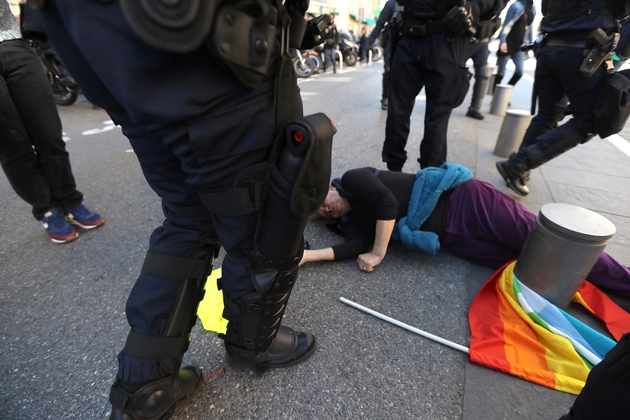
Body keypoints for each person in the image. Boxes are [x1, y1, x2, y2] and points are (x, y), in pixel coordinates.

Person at [35, 1, 333, 419]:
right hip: (203, 37)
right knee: (265, 223)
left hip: (93, 28)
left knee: (189, 214)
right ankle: (254, 346)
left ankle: (146, 389)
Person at [301, 165, 630, 297]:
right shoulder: (350, 222)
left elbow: (386, 205)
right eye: (316, 213)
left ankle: (624, 281)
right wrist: (307, 256)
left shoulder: (355, 178)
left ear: (330, 187)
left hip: (465, 201)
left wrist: (378, 251)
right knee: (532, 268)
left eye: (320, 200)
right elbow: (355, 244)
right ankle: (605, 288)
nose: (323, 209)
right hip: (453, 239)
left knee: (550, 244)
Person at [496, 0, 630, 196]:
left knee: (547, 115)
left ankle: (519, 170)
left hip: (550, 50)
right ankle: (519, 164)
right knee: (589, 122)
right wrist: (617, 57)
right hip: (582, 53)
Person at [0, 0, 103, 244]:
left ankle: (70, 200)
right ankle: (46, 209)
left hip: (13, 41)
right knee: (14, 147)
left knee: (49, 134)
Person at [381, 0, 506, 172]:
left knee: (437, 118)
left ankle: (430, 177)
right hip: (408, 31)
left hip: (448, 34)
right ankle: (393, 173)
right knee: (397, 112)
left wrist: (475, 6)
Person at [491, 0, 535, 94]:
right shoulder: (515, 5)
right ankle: (496, 97)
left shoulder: (532, 8)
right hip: (508, 43)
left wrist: (531, 44)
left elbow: (530, 29)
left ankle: (504, 94)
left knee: (519, 72)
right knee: (500, 73)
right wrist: (503, 41)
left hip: (520, 45)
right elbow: (506, 24)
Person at [465, 16, 502, 120]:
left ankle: (475, 108)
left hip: (482, 43)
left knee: (483, 73)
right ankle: (442, 99)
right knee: (452, 70)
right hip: (465, 40)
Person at [367, 0, 397, 110]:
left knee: (404, 73)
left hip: (408, 42)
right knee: (388, 69)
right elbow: (380, 22)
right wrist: (371, 40)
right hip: (392, 41)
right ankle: (386, 97)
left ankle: (397, 100)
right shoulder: (392, 3)